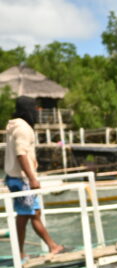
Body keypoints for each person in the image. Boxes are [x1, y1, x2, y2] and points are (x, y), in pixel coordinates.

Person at [4, 96, 63, 258]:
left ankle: (21, 252)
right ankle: (52, 246)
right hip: (22, 179)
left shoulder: (14, 126)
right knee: (31, 214)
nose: (37, 112)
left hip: (15, 177)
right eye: (35, 108)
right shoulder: (23, 129)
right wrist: (32, 178)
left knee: (26, 215)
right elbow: (21, 154)